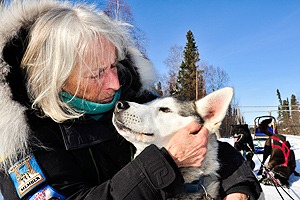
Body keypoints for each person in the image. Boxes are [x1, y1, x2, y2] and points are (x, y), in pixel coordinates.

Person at [0, 0, 261, 199]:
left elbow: (202, 138)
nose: (114, 84)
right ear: (54, 79)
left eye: (112, 65)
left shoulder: (130, 94)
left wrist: (237, 184)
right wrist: (165, 164)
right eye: (96, 74)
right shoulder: (22, 144)